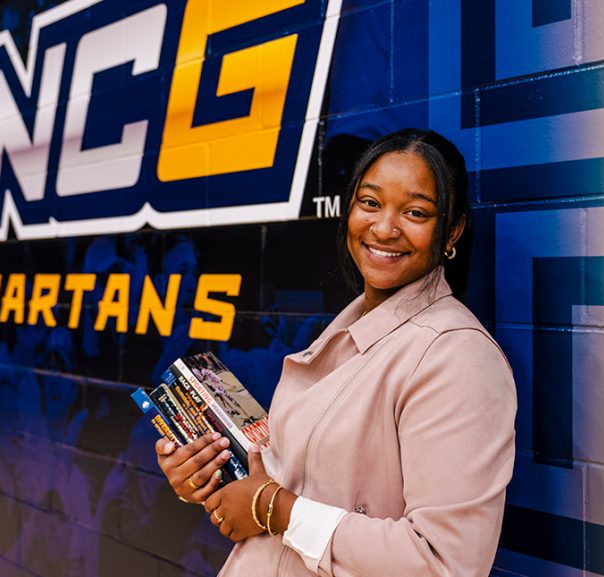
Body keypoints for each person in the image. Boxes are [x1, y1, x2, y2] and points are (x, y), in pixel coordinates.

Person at [155, 129, 517, 576]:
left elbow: (444, 563)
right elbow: (289, 485)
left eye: (416, 212)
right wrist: (208, 477)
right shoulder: (351, 330)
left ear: (452, 230)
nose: (384, 228)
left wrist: (275, 508)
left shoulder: (456, 356)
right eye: (370, 203)